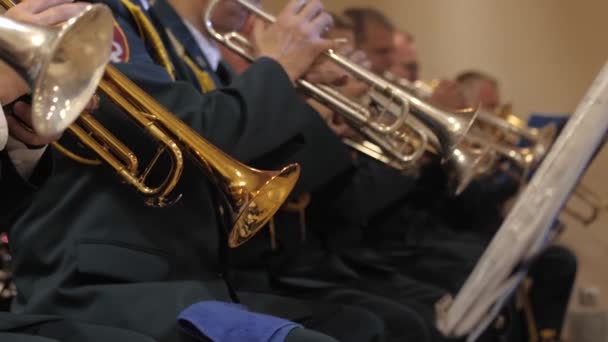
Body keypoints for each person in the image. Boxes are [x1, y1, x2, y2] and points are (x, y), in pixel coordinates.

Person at [2, 0, 392, 341]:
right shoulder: (91, 16)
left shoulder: (153, 26)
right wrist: (281, 67)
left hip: (184, 277)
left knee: (366, 322)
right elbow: (199, 130)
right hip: (101, 282)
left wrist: (308, 110)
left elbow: (217, 149)